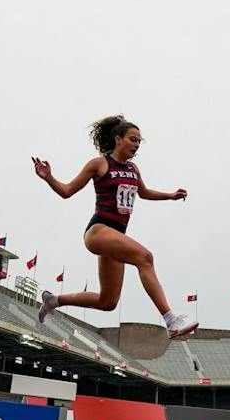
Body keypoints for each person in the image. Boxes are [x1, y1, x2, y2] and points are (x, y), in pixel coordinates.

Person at [31, 114, 197, 337]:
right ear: (118, 139)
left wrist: (170, 196)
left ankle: (54, 301)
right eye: (132, 139)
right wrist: (49, 177)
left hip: (116, 236)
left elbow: (144, 193)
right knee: (145, 258)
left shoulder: (133, 169)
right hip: (98, 231)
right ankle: (171, 320)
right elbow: (67, 191)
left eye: (139, 141)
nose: (137, 145)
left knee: (108, 301)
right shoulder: (99, 164)